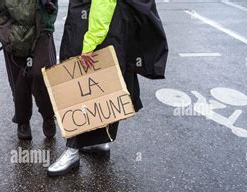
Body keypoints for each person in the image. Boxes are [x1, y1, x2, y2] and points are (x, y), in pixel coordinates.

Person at [47, 0, 168, 176]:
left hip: (95, 26)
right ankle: (102, 140)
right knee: (106, 83)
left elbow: (103, 3)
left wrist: (90, 41)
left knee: (81, 88)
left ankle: (72, 150)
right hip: (111, 25)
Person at [0, 0, 58, 141]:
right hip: (11, 25)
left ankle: (48, 115)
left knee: (40, 74)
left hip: (40, 23)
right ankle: (23, 121)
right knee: (18, 79)